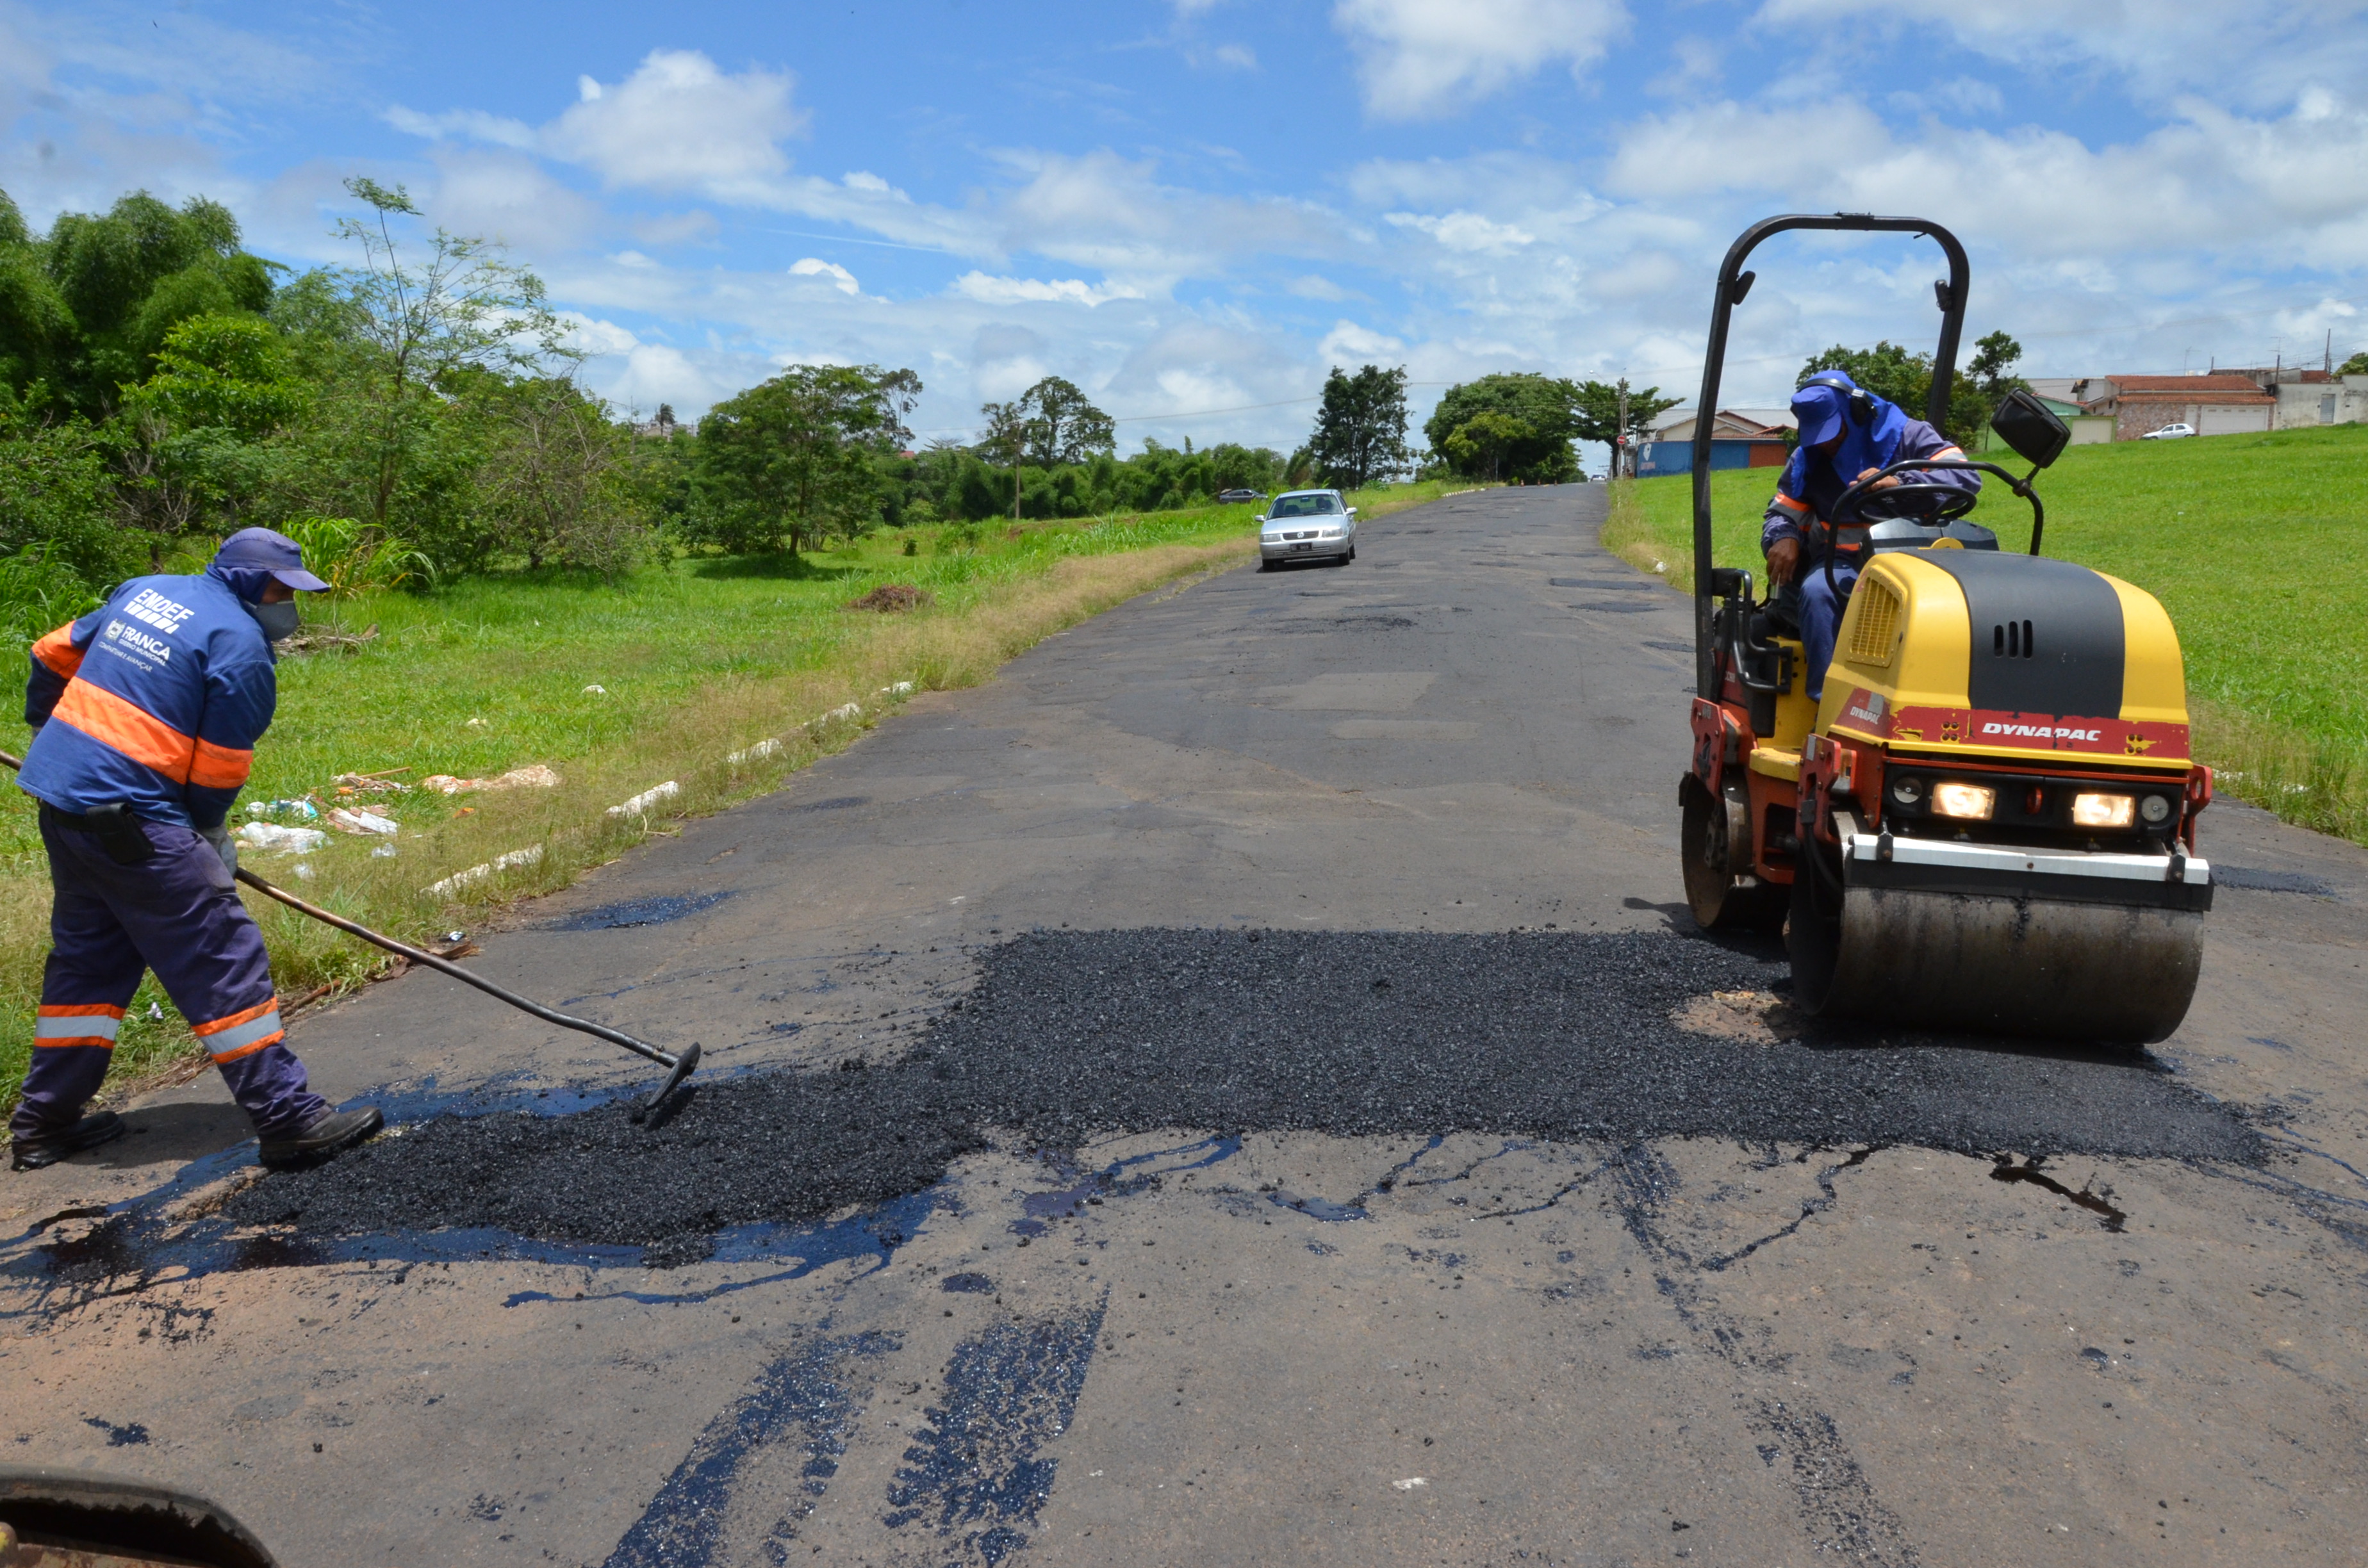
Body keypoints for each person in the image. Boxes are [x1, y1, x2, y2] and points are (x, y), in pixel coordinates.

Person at [9, 528, 384, 1171]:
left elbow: (49, 652)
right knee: (221, 959)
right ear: (250, 582)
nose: (287, 606)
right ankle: (289, 1120)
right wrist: (207, 838)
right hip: (135, 825)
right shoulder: (240, 646)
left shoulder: (146, 591)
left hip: (65, 807)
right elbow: (217, 769)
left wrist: (48, 728)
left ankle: (43, 1124)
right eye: (280, 591)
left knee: (89, 967)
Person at [1763, 372, 1981, 699]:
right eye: (1816, 435)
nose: (1825, 444)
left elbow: (1966, 476)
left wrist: (1901, 481)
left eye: (1833, 432)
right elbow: (1783, 511)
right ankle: (1830, 705)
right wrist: (1784, 536)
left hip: (1920, 561)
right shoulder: (1807, 459)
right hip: (1845, 564)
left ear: (1858, 411)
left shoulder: (1910, 435)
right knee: (1818, 593)